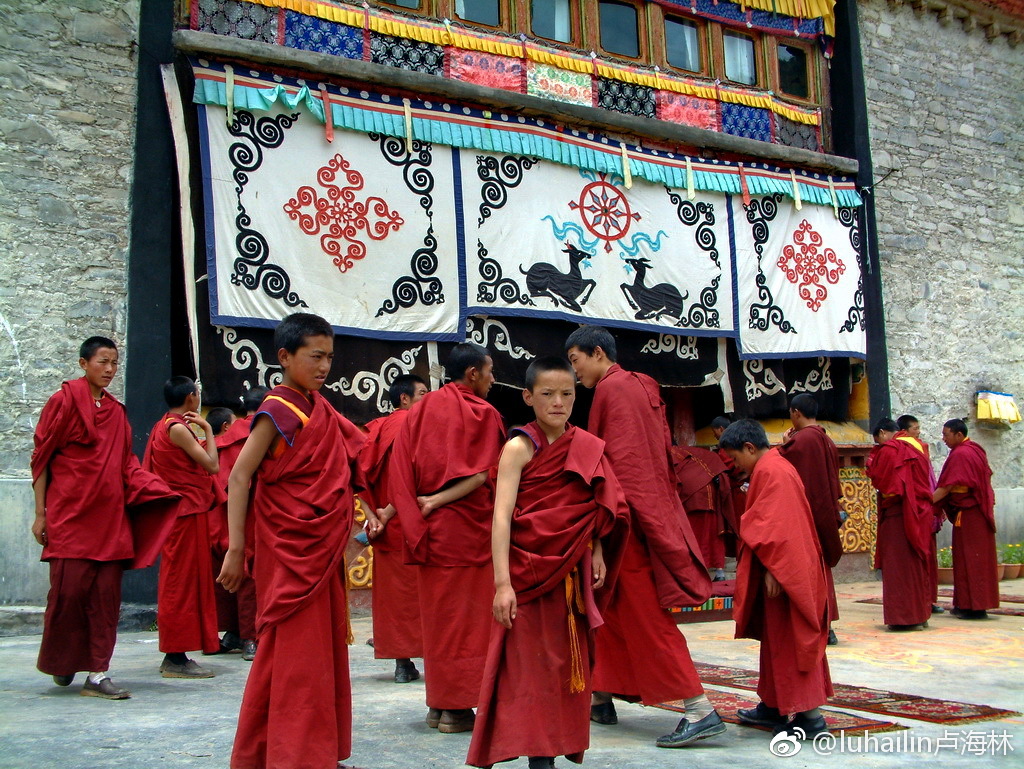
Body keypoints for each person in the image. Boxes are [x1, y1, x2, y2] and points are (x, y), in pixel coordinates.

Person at [217, 313, 366, 769]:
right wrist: (237, 547)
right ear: (285, 357)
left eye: (329, 358)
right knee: (295, 651)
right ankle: (291, 752)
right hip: (289, 548)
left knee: (319, 651)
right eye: (314, 357)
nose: (324, 367)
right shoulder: (279, 408)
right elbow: (240, 476)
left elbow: (354, 459)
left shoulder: (319, 406)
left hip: (319, 549)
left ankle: (307, 749)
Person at [564, 326, 723, 749]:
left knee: (645, 616)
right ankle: (601, 696)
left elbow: (622, 465)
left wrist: (604, 522)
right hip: (647, 512)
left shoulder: (613, 391)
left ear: (597, 353)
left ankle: (698, 708)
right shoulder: (641, 386)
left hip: (628, 522)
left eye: (576, 362)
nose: (574, 373)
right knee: (608, 609)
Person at [467, 357, 629, 769]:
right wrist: (502, 584)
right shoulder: (518, 447)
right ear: (528, 397)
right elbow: (501, 517)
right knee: (528, 670)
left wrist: (596, 551)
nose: (558, 403)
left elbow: (597, 508)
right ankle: (538, 755)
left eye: (567, 394)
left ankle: (554, 748)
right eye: (547, 394)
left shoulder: (587, 446)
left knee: (563, 666)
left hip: (570, 577)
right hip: (525, 576)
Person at [31, 336, 180, 699]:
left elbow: (126, 463)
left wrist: (158, 489)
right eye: (103, 362)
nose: (110, 370)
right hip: (70, 516)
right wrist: (41, 513)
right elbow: (42, 458)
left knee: (104, 600)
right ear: (84, 364)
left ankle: (98, 673)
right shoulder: (63, 401)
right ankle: (63, 660)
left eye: (114, 363)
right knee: (67, 595)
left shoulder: (116, 412)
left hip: (109, 521)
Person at [389, 342, 506, 734]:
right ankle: (457, 709)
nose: (493, 380)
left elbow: (399, 468)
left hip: (429, 532)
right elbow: (484, 474)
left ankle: (439, 705)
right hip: (466, 533)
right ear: (472, 373)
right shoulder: (483, 414)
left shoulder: (419, 410)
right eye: (489, 372)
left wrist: (414, 514)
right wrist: (438, 500)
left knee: (439, 621)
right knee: (466, 622)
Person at [719, 419, 832, 740]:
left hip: (786, 571)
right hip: (786, 566)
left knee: (792, 641)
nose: (737, 467)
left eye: (737, 458)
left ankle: (810, 717)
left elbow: (780, 528)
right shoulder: (772, 467)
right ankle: (772, 705)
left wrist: (774, 570)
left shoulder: (773, 472)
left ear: (750, 448)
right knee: (776, 641)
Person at [143, 376, 225, 678]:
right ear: (191, 398)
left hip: (183, 513)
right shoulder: (178, 429)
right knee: (181, 583)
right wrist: (207, 429)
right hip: (185, 514)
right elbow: (212, 465)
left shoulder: (163, 425)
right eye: (198, 394)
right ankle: (174, 657)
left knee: (185, 581)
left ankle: (180, 652)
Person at [358, 374, 429, 683]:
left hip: (383, 528)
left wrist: (373, 516)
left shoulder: (375, 430)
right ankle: (433, 659)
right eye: (423, 393)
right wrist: (386, 513)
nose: (427, 399)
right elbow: (414, 478)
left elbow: (359, 478)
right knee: (424, 597)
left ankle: (402, 665)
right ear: (405, 399)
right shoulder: (412, 426)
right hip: (412, 522)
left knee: (395, 599)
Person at [777, 393, 843, 645]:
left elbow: (785, 470)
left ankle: (818, 625)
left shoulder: (801, 442)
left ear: (795, 413)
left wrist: (784, 445)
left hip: (808, 516)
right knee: (821, 569)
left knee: (810, 571)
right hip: (824, 512)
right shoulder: (826, 438)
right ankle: (827, 626)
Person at [209, 388, 268, 661]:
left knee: (227, 570)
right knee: (250, 573)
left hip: (221, 513)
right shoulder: (261, 433)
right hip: (253, 511)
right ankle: (250, 637)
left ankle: (231, 631)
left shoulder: (225, 436)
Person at [866, 418, 935, 630]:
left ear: (883, 433)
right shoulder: (918, 446)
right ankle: (920, 614)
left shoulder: (890, 449)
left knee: (898, 567)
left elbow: (887, 485)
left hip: (899, 515)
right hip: (919, 513)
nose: (879, 443)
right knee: (915, 565)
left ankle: (903, 618)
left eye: (878, 439)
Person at [933, 419, 999, 620]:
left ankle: (973, 607)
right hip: (975, 513)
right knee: (973, 560)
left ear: (959, 435)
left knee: (970, 560)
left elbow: (949, 486)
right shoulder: (975, 450)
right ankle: (972, 604)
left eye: (946, 435)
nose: (943, 439)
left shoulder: (962, 453)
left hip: (970, 516)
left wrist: (927, 501)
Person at [671, 444, 733, 582]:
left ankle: (698, 573)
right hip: (712, 491)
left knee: (695, 535)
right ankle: (719, 571)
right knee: (713, 533)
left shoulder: (673, 452)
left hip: (693, 496)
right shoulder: (696, 452)